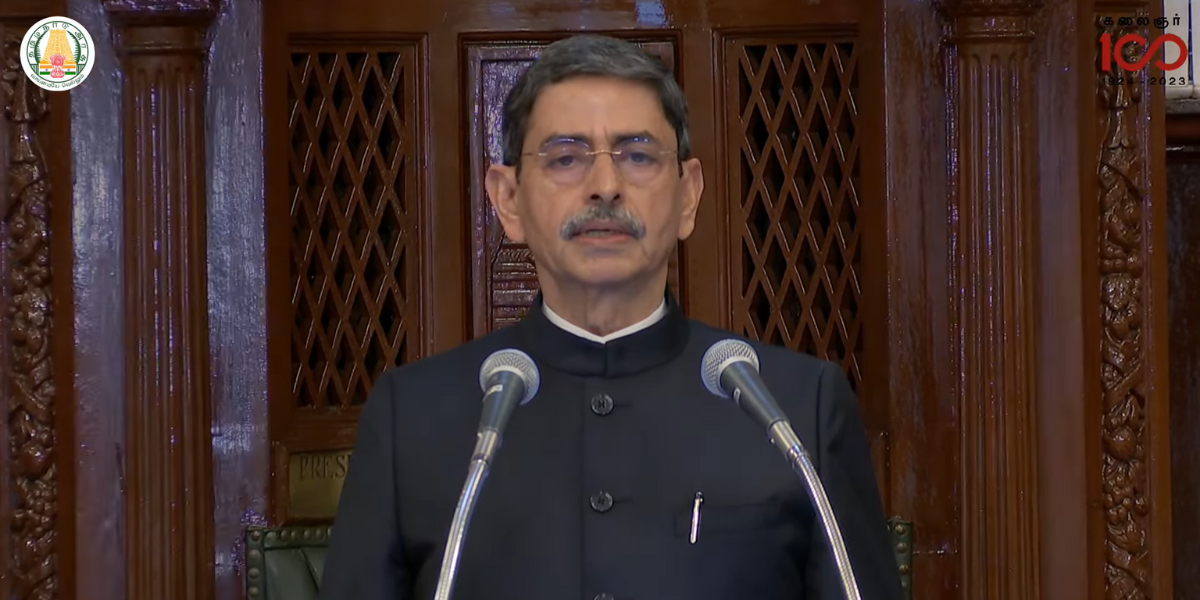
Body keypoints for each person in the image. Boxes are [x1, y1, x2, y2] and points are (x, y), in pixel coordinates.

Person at [319, 34, 905, 600]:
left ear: (688, 196)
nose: (605, 186)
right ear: (508, 200)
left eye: (639, 155)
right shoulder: (413, 417)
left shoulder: (797, 410)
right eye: (566, 158)